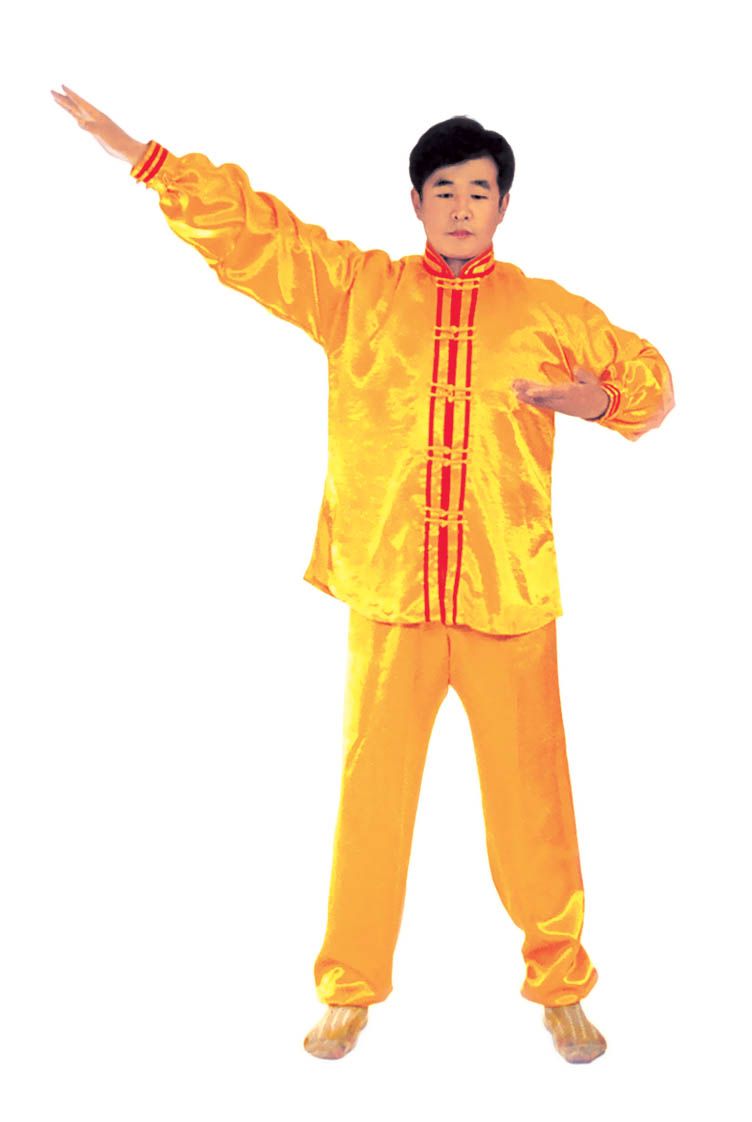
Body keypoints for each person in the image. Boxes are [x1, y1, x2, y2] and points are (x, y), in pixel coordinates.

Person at [51, 85, 675, 1065]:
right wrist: (146, 159)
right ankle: (347, 989)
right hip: (389, 598)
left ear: (504, 205)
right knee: (370, 800)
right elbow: (262, 238)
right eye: (443, 190)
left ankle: (560, 984)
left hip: (508, 600)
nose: (461, 206)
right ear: (415, 202)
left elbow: (650, 382)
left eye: (478, 191)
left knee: (534, 808)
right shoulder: (360, 292)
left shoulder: (547, 311)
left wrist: (596, 402)